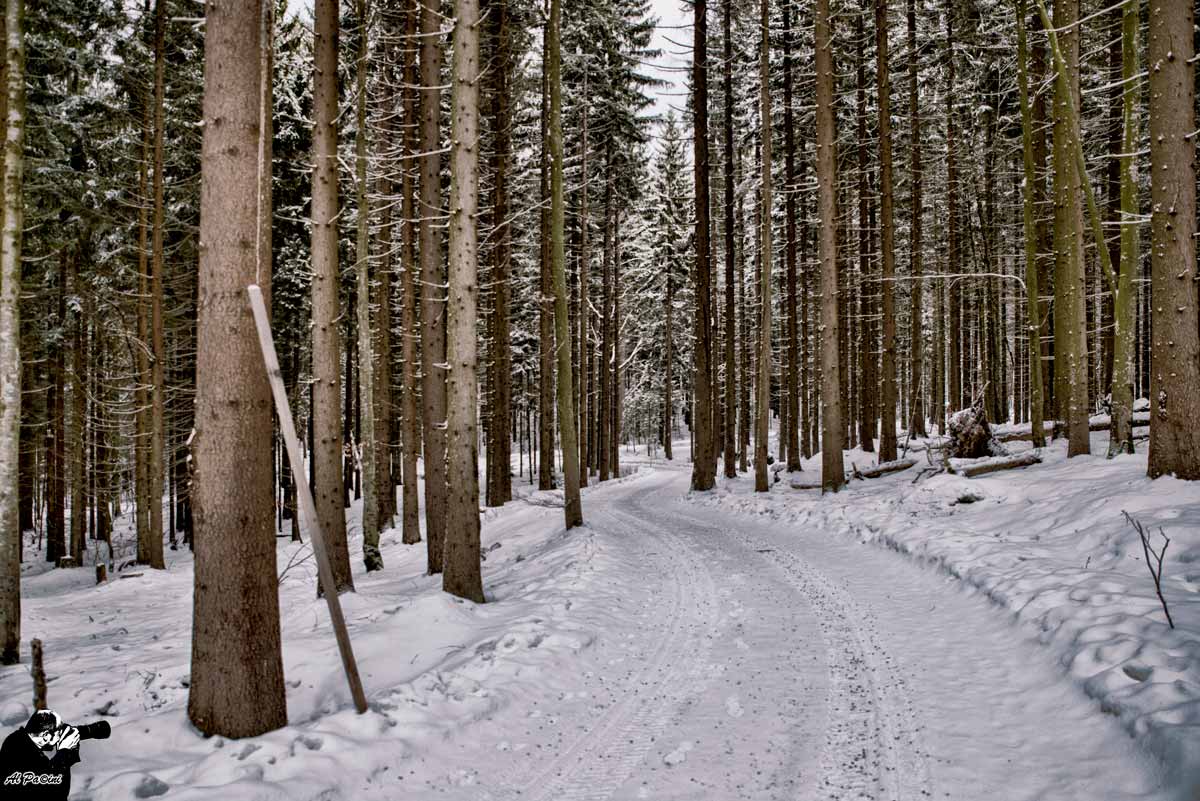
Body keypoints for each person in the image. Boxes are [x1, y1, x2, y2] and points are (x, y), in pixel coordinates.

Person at [0, 709, 80, 800]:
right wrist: (64, 753)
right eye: (58, 734)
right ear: (46, 735)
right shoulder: (20, 750)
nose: (58, 738)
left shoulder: (17, 740)